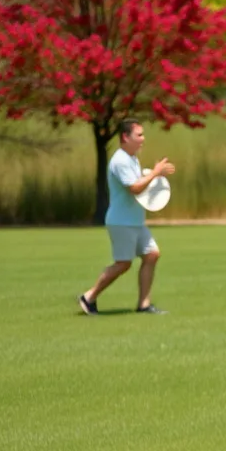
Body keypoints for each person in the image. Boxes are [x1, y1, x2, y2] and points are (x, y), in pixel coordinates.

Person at [78, 119, 175, 315]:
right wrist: (155, 173)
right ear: (125, 137)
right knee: (123, 264)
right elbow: (135, 188)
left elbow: (140, 183)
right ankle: (89, 297)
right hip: (122, 222)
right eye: (139, 135)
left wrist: (153, 175)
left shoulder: (132, 158)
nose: (143, 139)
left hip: (135, 221)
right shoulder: (120, 160)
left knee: (152, 254)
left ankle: (144, 304)